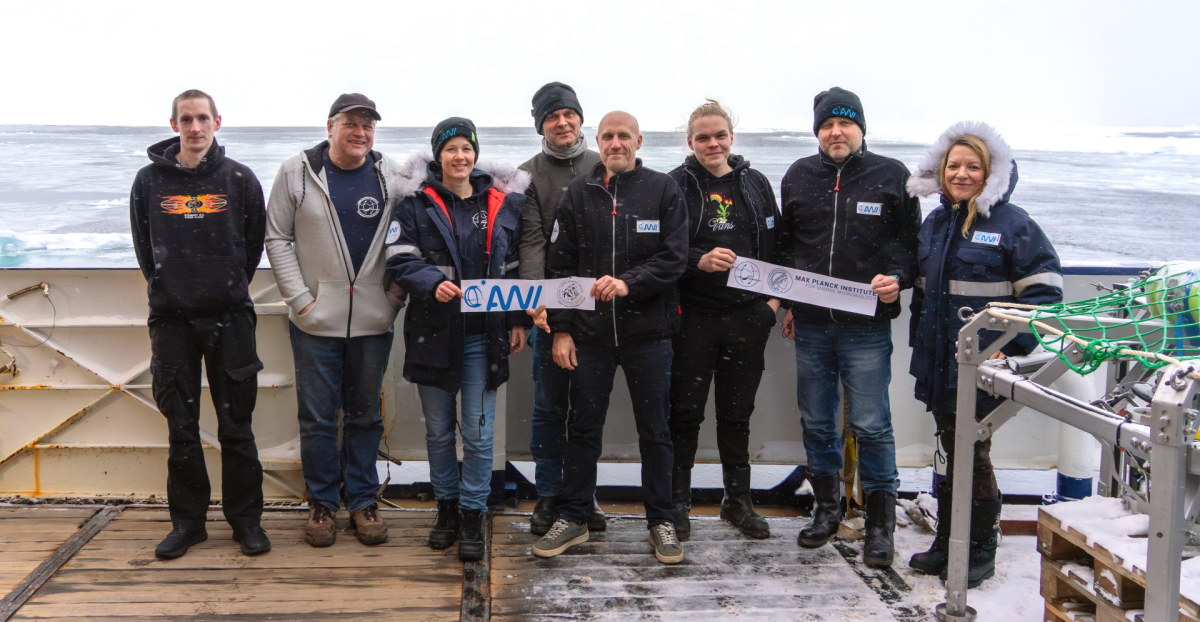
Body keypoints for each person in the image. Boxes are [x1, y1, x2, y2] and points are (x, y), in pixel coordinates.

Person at [905, 121, 1062, 587]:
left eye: (973, 166)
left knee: (973, 455)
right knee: (952, 453)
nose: (961, 174)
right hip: (939, 365)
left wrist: (1008, 351)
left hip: (984, 366)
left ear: (990, 172)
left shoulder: (1013, 225)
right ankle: (948, 541)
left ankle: (979, 549)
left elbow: (1044, 295)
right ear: (941, 170)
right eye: (954, 165)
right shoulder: (934, 223)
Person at [532, 111, 688, 565]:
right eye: (607, 137)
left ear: (639, 140)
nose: (616, 143)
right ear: (595, 142)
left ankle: (660, 518)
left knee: (656, 430)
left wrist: (628, 282)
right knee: (582, 428)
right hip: (591, 336)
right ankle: (575, 514)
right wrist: (561, 328)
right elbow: (560, 267)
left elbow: (675, 257)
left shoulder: (662, 188)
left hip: (650, 334)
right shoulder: (579, 194)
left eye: (624, 136)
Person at [775, 87, 921, 568]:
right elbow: (787, 246)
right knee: (817, 421)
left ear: (861, 128)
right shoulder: (797, 175)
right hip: (812, 326)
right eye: (826, 125)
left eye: (845, 123)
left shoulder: (891, 176)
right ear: (816, 131)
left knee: (872, 425)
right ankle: (826, 510)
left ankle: (881, 525)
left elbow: (909, 245)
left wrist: (897, 280)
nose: (835, 132)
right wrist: (788, 303)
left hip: (865, 327)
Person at [130, 89, 269, 559]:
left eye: (202, 118)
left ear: (217, 122)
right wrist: (174, 289)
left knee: (237, 427)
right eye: (186, 119)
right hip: (171, 321)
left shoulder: (240, 179)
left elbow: (253, 246)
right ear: (174, 125)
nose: (195, 127)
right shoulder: (149, 182)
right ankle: (188, 524)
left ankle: (246, 522)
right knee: (181, 428)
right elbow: (145, 250)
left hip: (229, 318)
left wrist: (224, 286)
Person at [386, 117, 531, 561]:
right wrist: (431, 281)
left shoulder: (503, 204)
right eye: (451, 149)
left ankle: (473, 511)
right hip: (433, 332)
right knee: (438, 430)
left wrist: (518, 319)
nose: (460, 156)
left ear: (476, 153)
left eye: (467, 148)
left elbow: (516, 268)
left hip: (483, 338)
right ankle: (446, 508)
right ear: (438, 155)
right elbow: (398, 258)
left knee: (480, 431)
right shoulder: (414, 205)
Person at [265, 94, 404, 548]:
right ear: (330, 127)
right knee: (318, 418)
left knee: (365, 418)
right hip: (314, 323)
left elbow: (408, 242)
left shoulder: (392, 175)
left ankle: (363, 501)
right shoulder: (296, 172)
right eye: (351, 123)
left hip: (373, 321)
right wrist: (300, 300)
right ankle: (322, 503)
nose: (360, 133)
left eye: (367, 125)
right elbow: (277, 237)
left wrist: (393, 301)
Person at [666, 100, 780, 541]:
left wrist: (770, 307)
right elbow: (661, 250)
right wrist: (699, 259)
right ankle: (678, 504)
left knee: (737, 415)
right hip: (692, 317)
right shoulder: (674, 185)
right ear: (689, 142)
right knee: (684, 414)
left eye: (719, 136)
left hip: (746, 317)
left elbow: (776, 248)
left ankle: (738, 501)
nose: (712, 144)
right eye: (702, 138)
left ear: (731, 137)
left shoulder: (755, 183)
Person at [517, 82, 605, 535]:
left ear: (580, 118)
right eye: (553, 116)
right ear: (541, 126)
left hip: (601, 313)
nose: (563, 122)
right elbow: (531, 242)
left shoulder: (605, 164)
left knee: (588, 410)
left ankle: (583, 497)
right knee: (550, 408)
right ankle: (549, 495)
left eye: (569, 113)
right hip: (549, 313)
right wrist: (536, 302)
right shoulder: (527, 174)